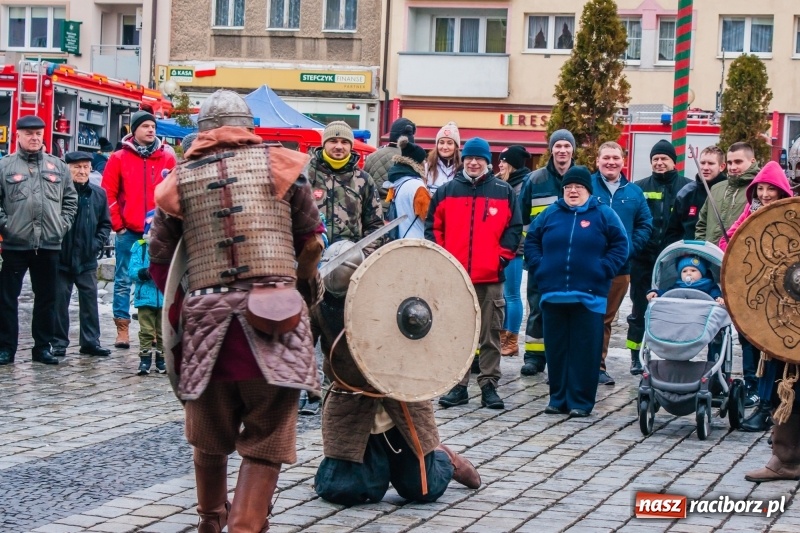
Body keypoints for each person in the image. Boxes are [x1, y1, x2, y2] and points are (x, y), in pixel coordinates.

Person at [148, 89, 324, 531]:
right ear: (249, 126)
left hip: (206, 325)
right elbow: (311, 244)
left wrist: (183, 319)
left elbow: (162, 264)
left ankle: (210, 520)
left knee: (209, 433)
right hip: (275, 319)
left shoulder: (178, 181)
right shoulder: (284, 166)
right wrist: (304, 289)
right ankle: (244, 526)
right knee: (266, 437)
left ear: (202, 130)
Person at [311, 246, 481, 506]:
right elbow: (299, 343)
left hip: (400, 398)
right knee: (343, 490)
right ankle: (375, 468)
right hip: (351, 402)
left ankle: (444, 458)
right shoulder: (318, 304)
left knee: (423, 489)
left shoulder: (389, 293)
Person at [427, 137, 522, 410]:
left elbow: (514, 228)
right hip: (455, 277)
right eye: (469, 157)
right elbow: (433, 228)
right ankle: (458, 386)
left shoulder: (503, 191)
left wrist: (501, 258)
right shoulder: (447, 191)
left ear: (487, 162)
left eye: (479, 158)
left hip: (490, 277)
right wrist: (444, 260)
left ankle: (489, 385)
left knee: (491, 334)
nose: (474, 162)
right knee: (457, 333)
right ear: (463, 159)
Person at [525, 166, 628, 417]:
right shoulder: (550, 213)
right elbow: (531, 241)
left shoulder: (604, 214)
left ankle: (580, 401)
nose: (573, 191)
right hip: (553, 294)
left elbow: (621, 244)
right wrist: (541, 267)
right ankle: (558, 399)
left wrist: (604, 269)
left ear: (588, 190)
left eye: (578, 187)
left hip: (589, 296)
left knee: (585, 350)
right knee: (557, 350)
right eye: (568, 187)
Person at [718, 162, 794, 432]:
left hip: (788, 298)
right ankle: (765, 407)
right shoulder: (750, 212)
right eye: (760, 189)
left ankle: (779, 411)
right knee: (765, 352)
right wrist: (738, 248)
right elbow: (726, 243)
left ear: (781, 190)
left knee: (783, 354)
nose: (764, 194)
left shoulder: (790, 213)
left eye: (770, 189)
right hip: (760, 294)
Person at [0, 115, 77, 366]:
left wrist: (61, 226)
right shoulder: (5, 166)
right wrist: (7, 226)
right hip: (15, 244)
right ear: (18, 136)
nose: (34, 138)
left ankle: (42, 348)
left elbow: (70, 200)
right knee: (6, 299)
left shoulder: (58, 166)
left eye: (38, 134)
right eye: (29, 134)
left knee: (47, 299)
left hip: (48, 244)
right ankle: (6, 348)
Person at [102, 109, 176, 350]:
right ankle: (122, 328)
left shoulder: (167, 157)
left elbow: (174, 192)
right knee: (124, 279)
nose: (151, 129)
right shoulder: (118, 158)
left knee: (157, 278)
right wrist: (119, 226)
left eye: (153, 126)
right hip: (129, 230)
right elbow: (108, 193)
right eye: (145, 126)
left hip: (159, 231)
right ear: (134, 130)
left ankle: (153, 330)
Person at [696, 142, 762, 405]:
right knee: (716, 325)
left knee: (747, 331)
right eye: (731, 162)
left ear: (751, 162)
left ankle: (752, 384)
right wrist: (704, 251)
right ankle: (715, 377)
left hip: (744, 271)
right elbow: (702, 223)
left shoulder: (757, 191)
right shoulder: (717, 188)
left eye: (739, 162)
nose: (733, 167)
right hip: (715, 267)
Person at [591, 142, 652, 386]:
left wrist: (628, 250)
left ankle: (597, 367)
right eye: (606, 157)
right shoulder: (587, 186)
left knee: (605, 319)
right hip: (587, 266)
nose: (611, 162)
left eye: (615, 158)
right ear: (597, 161)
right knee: (583, 316)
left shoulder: (634, 192)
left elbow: (645, 224)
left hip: (620, 268)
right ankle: (574, 365)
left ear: (623, 161)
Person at [628, 140, 691, 375]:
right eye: (655, 159)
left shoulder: (688, 187)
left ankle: (675, 356)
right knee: (639, 308)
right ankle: (636, 356)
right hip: (643, 259)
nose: (659, 162)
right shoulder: (639, 188)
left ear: (674, 162)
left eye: (664, 158)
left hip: (675, 261)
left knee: (674, 309)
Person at [517, 129, 576, 376]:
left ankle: (564, 355)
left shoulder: (580, 178)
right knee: (538, 306)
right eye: (558, 146)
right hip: (540, 258)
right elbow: (521, 219)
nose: (562, 150)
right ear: (551, 150)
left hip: (572, 258)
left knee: (570, 307)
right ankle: (534, 356)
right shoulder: (535, 180)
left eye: (566, 146)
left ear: (573, 150)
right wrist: (529, 253)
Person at [52, 152, 112, 359]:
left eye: (86, 167)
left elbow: (105, 224)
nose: (82, 171)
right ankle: (58, 342)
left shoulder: (98, 194)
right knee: (59, 301)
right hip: (61, 256)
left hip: (87, 257)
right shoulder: (58, 192)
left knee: (89, 300)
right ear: (67, 169)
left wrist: (96, 244)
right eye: (77, 167)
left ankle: (90, 342)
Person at [497, 145, 531, 357]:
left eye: (504, 160)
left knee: (512, 294)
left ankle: (512, 340)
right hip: (501, 245)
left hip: (515, 248)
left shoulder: (522, 185)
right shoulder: (504, 183)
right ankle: (502, 337)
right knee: (503, 294)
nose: (500, 164)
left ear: (513, 164)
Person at [663, 146, 727, 245]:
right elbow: (673, 232)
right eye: (702, 163)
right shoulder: (686, 193)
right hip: (689, 252)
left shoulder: (729, 192)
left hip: (719, 251)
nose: (705, 168)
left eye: (711, 163)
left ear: (722, 167)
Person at [129, 216, 164, 375]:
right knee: (146, 331)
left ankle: (162, 360)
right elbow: (132, 271)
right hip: (145, 298)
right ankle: (145, 359)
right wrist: (146, 273)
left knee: (163, 331)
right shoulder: (140, 247)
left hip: (164, 298)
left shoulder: (168, 248)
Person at [364, 117, 416, 214]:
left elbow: (364, 185)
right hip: (398, 210)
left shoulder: (371, 156)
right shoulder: (409, 158)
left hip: (374, 209)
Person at [385, 135, 430, 239]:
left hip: (400, 240)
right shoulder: (418, 186)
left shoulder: (397, 183)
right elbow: (429, 216)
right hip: (417, 241)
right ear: (419, 163)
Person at [646, 255, 724, 303]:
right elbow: (667, 293)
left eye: (693, 270)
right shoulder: (678, 285)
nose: (688, 273)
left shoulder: (708, 285)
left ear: (702, 273)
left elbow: (715, 292)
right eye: (684, 271)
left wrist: (717, 298)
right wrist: (656, 292)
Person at [426, 121, 461, 195]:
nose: (445, 147)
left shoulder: (463, 169)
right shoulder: (427, 167)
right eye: (441, 142)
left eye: (449, 143)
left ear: (456, 147)